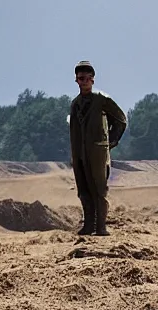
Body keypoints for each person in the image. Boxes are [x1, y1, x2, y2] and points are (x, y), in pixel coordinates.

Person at [69, 61, 127, 236]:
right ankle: (89, 225)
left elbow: (120, 120)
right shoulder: (75, 104)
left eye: (87, 78)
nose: (84, 81)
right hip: (79, 152)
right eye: (81, 78)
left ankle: (101, 227)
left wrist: (110, 141)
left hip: (97, 152)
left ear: (93, 80)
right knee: (83, 188)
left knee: (99, 189)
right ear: (76, 80)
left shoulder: (102, 100)